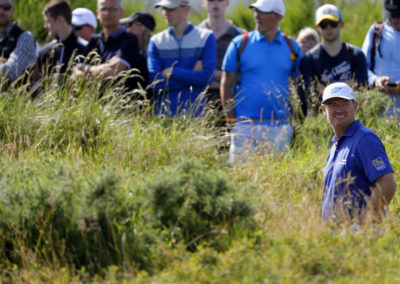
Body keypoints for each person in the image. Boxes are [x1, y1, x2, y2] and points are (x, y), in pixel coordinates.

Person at [220, 0, 303, 162]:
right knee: (241, 181)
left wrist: (293, 123)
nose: (257, 15)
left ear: (278, 16)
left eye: (263, 12)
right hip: (245, 126)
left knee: (275, 183)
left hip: (280, 128)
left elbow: (299, 87)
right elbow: (226, 83)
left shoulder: (292, 47)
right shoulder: (240, 44)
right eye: (256, 11)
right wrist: (231, 121)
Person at [321, 82, 396, 225]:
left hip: (357, 238)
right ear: (324, 110)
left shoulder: (364, 139)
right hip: (335, 239)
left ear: (355, 106)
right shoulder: (335, 146)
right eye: (333, 105)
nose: (339, 110)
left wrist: (364, 224)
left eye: (344, 103)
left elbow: (388, 184)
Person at [147, 0, 217, 117]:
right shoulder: (156, 41)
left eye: (171, 9)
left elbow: (207, 78)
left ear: (186, 9)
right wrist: (193, 76)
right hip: (163, 117)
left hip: (196, 117)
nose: (165, 13)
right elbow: (156, 84)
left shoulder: (206, 37)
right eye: (164, 9)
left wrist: (173, 71)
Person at [299, 4, 368, 110]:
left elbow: (362, 92)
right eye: (324, 24)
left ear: (341, 24)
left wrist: (324, 89)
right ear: (317, 27)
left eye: (333, 23)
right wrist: (348, 85)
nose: (329, 28)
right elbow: (310, 98)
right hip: (321, 119)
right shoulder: (309, 60)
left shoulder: (356, 54)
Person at [73, 0, 148, 95]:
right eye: (104, 9)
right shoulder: (94, 41)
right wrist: (103, 68)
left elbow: (113, 71)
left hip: (123, 106)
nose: (107, 13)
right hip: (96, 105)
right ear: (98, 13)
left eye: (112, 9)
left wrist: (86, 69)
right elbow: (77, 75)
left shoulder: (130, 39)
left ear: (121, 13)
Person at [198, 0, 244, 123]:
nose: (216, 3)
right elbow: (192, 69)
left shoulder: (241, 36)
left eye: (220, 0)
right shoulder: (194, 35)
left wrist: (219, 81)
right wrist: (225, 79)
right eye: (211, 0)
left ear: (227, 2)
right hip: (199, 103)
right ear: (204, 2)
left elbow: (243, 72)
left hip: (233, 103)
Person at [362, 0, 400, 120]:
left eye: (398, 16)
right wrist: (375, 80)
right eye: (391, 16)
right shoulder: (375, 32)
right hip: (380, 110)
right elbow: (362, 67)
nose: (394, 20)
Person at [35, 0, 86, 79]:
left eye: (48, 21)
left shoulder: (85, 48)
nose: (45, 26)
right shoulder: (45, 52)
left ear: (60, 20)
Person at [0, 0, 36, 81]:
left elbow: (13, 71)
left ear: (13, 10)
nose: (1, 11)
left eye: (6, 7)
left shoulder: (25, 36)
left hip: (17, 93)